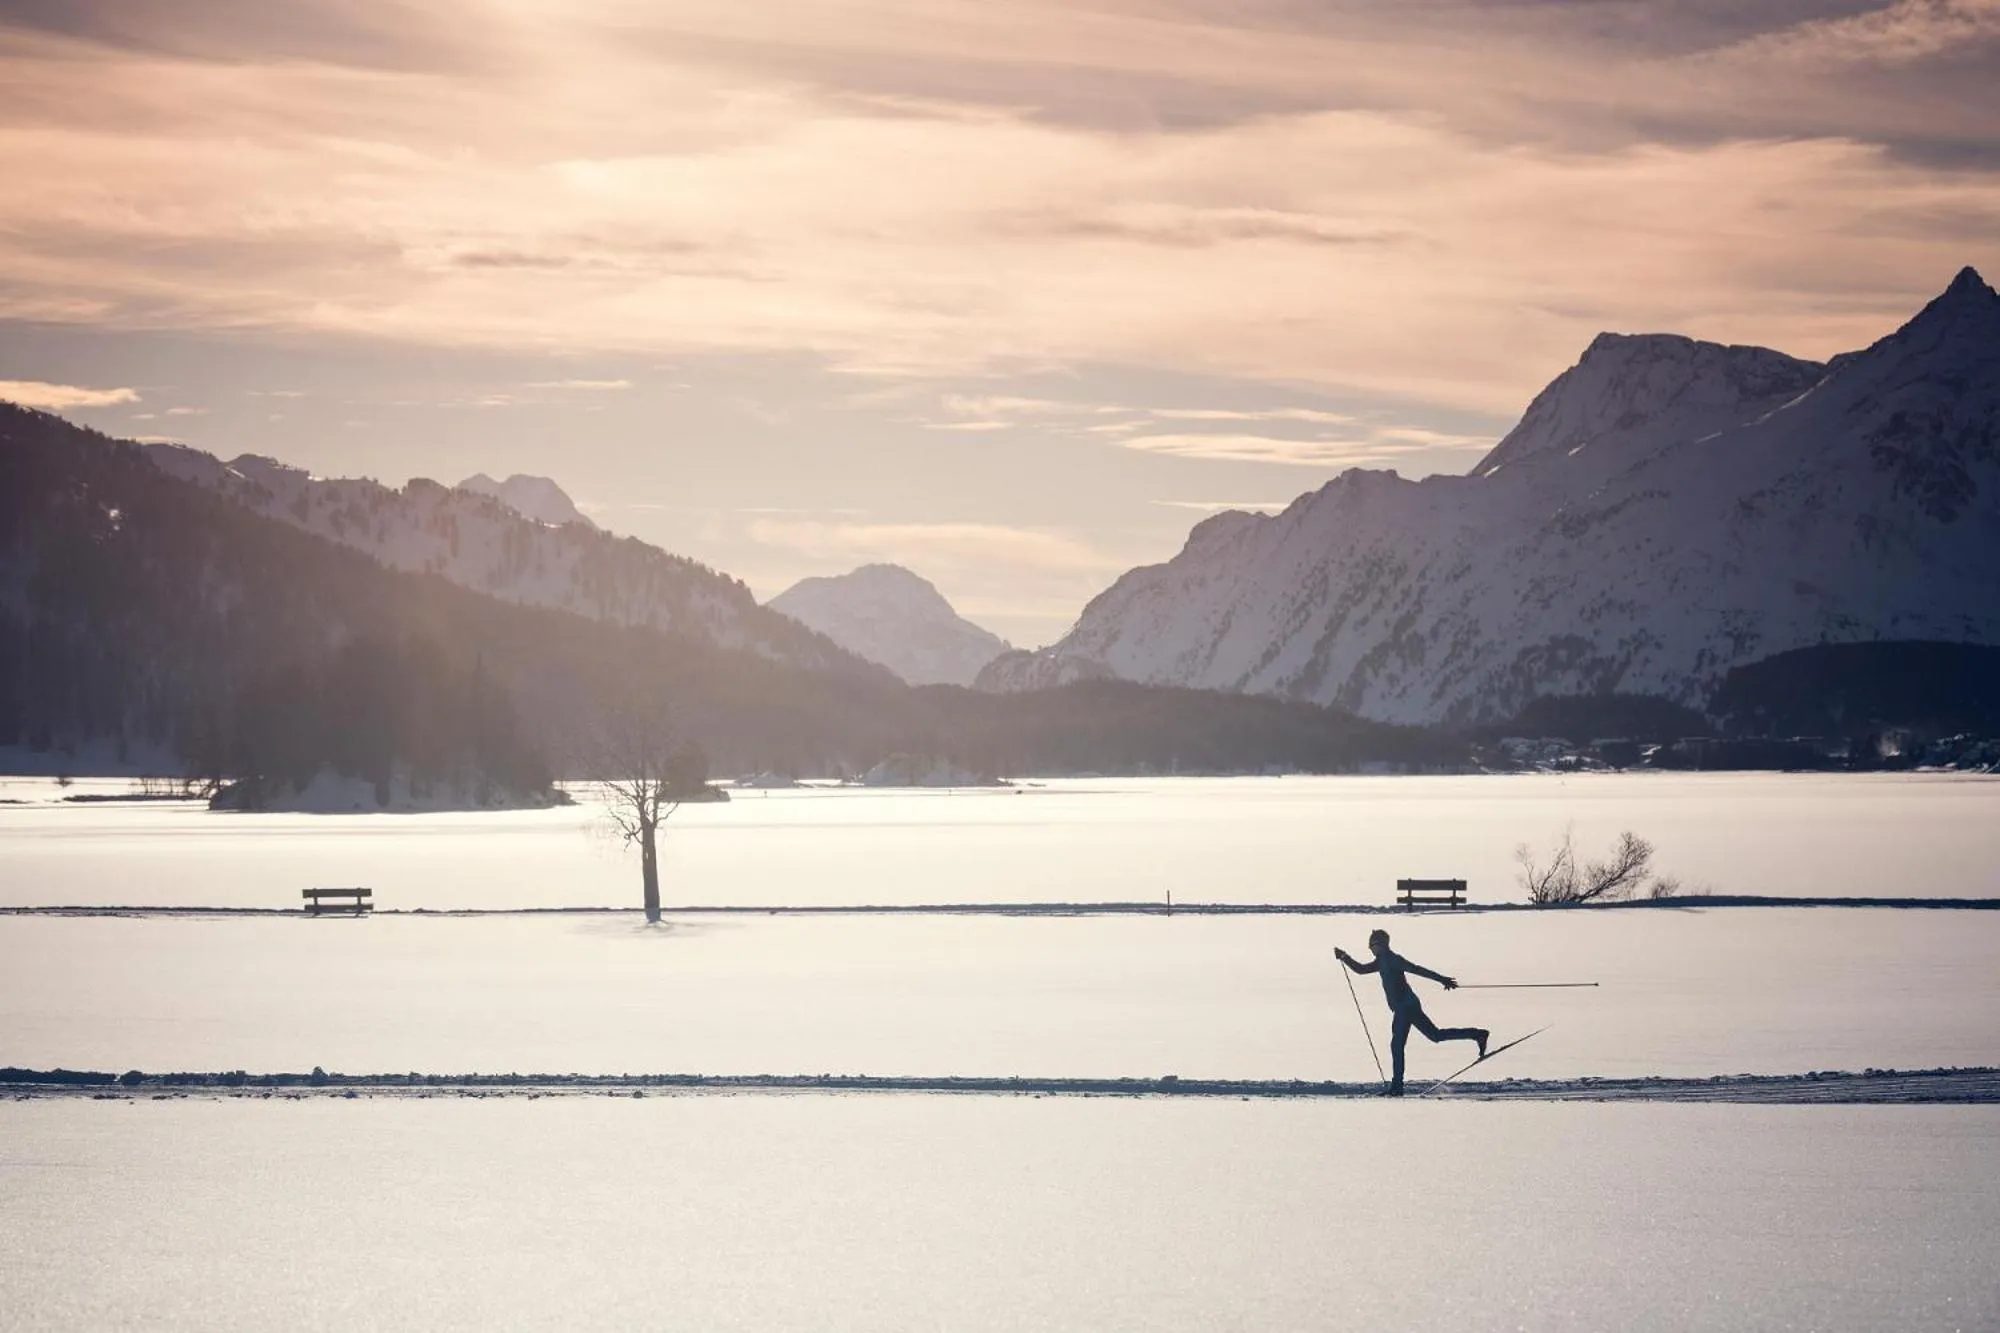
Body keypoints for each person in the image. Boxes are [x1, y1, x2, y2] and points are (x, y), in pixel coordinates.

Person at [1336, 928, 1488, 1096]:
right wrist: (1345, 957)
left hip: (1404, 1008)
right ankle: (1477, 1034)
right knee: (1435, 1036)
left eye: (1371, 946)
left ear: (1378, 945)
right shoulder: (1383, 960)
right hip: (1409, 1006)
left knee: (1397, 1045)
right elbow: (1361, 969)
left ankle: (1397, 1087)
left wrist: (1442, 979)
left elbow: (1417, 969)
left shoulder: (1391, 959)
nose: (1370, 949)